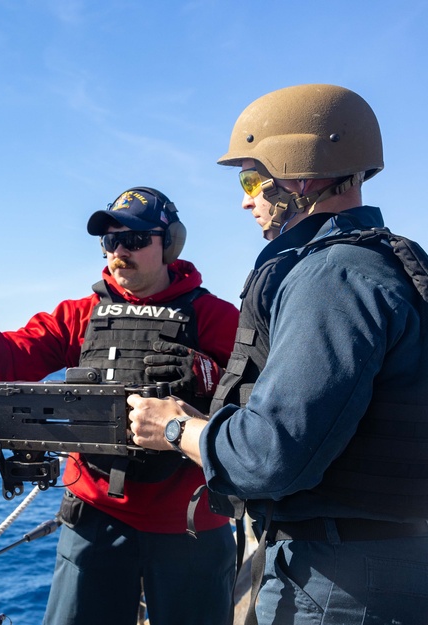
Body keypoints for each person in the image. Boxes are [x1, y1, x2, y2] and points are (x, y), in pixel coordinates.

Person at [127, 84, 428, 624]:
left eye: (251, 179)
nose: (245, 200)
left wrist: (178, 428)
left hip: (339, 584)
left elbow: (269, 456)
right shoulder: (392, 265)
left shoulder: (330, 278)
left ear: (300, 176)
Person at [0, 187, 239, 625]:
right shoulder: (81, 315)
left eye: (133, 240)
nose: (119, 251)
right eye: (110, 241)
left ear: (169, 244)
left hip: (189, 523)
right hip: (95, 516)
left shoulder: (216, 318)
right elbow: (7, 363)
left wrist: (209, 378)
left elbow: (262, 401)